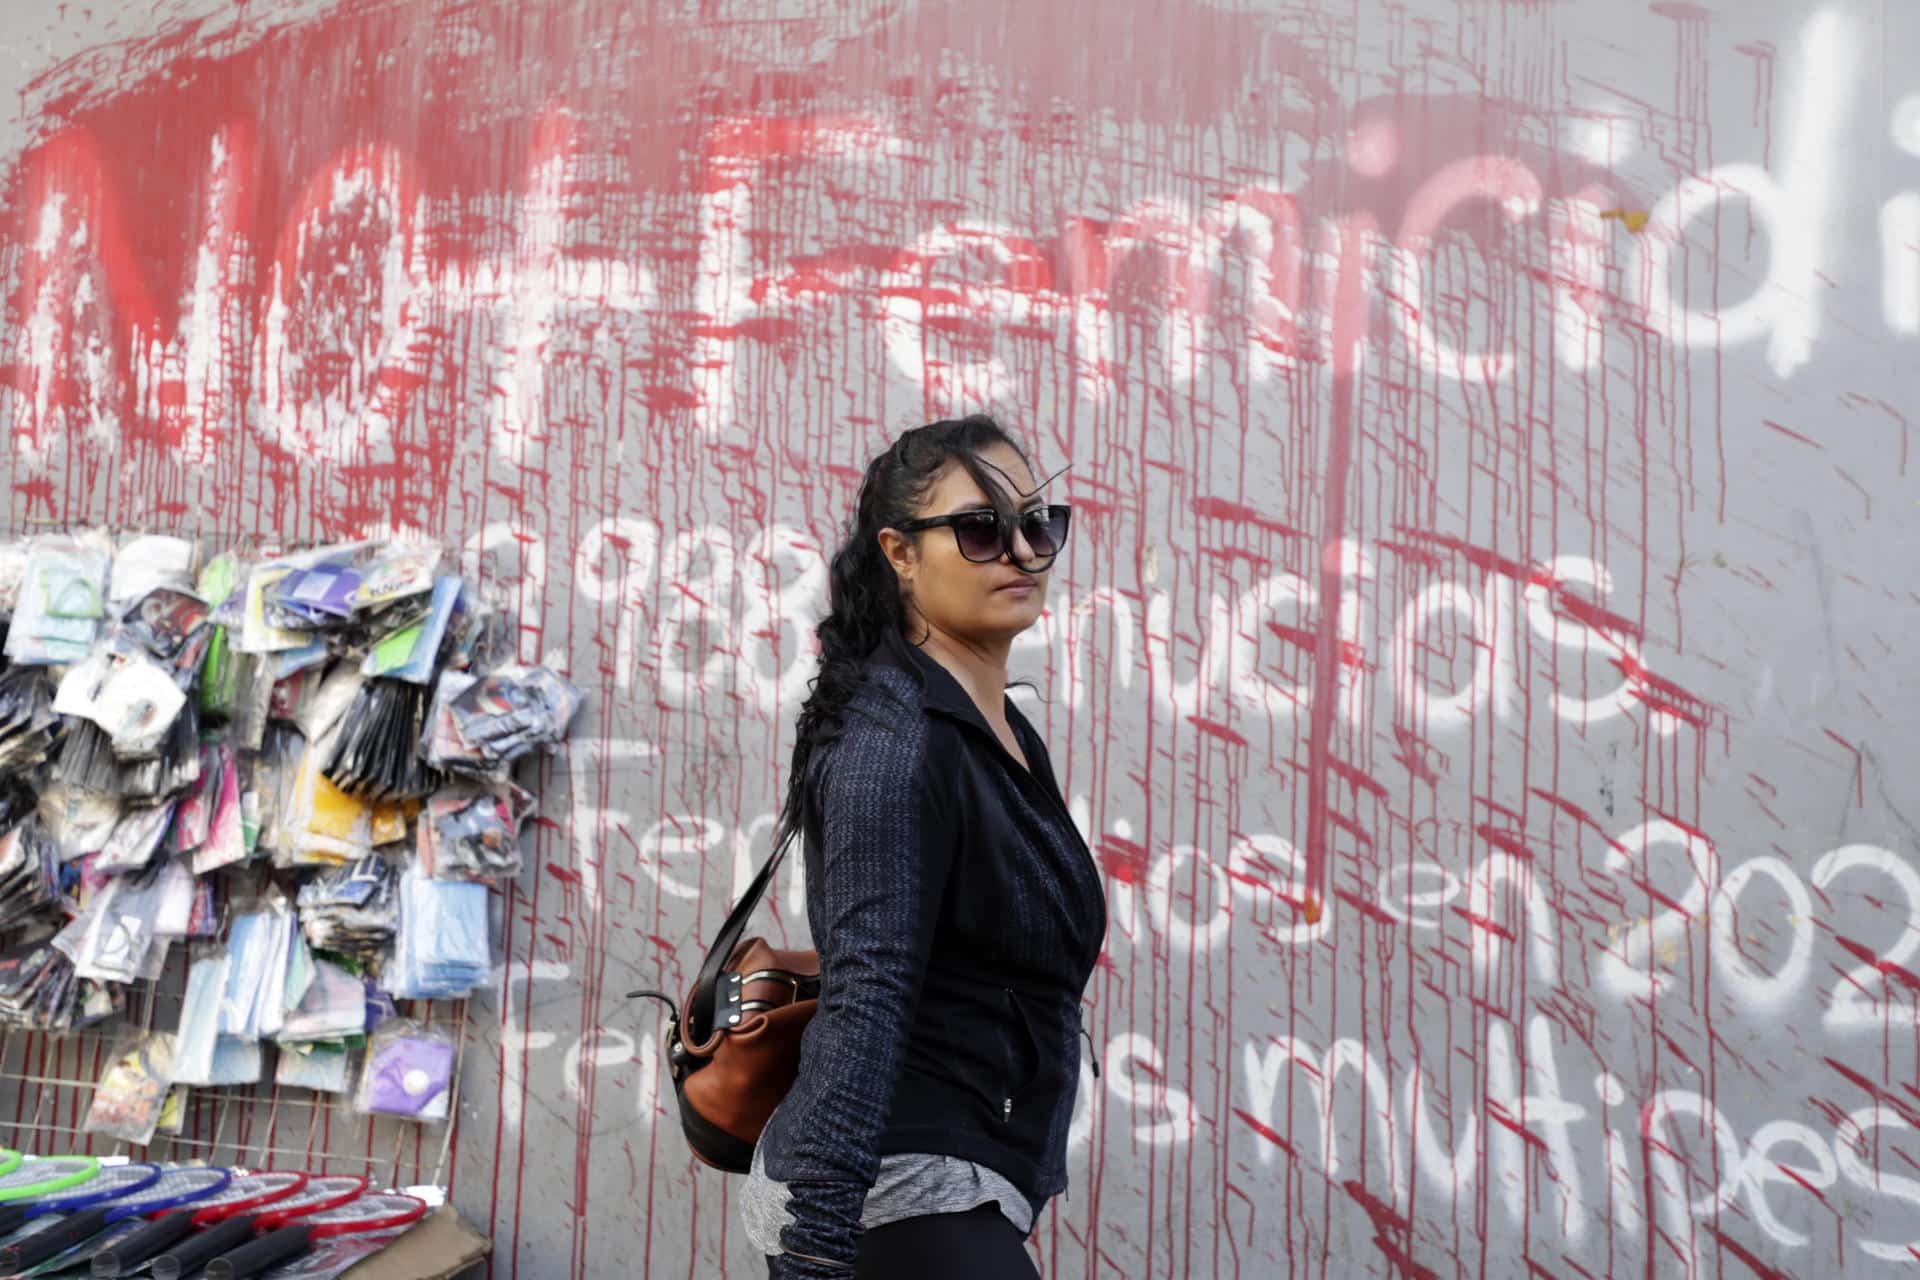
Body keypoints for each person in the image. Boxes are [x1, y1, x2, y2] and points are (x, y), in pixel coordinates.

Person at [742, 415, 1109, 1278]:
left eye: (1037, 523)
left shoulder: (994, 719)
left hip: (956, 1175)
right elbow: (867, 995)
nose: (1021, 551)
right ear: (901, 553)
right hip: (888, 1195)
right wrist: (814, 1257)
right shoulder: (896, 744)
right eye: (981, 529)